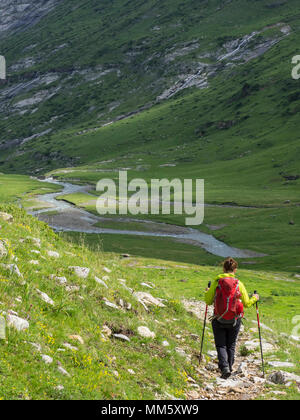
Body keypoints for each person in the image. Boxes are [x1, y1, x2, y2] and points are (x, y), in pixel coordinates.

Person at [205, 257, 259, 379]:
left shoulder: (217, 282)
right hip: (235, 319)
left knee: (221, 345)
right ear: (235, 269)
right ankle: (229, 367)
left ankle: (224, 368)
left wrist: (207, 291)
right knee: (231, 344)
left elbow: (208, 301)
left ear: (223, 268)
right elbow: (246, 303)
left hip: (218, 318)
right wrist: (255, 297)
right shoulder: (239, 283)